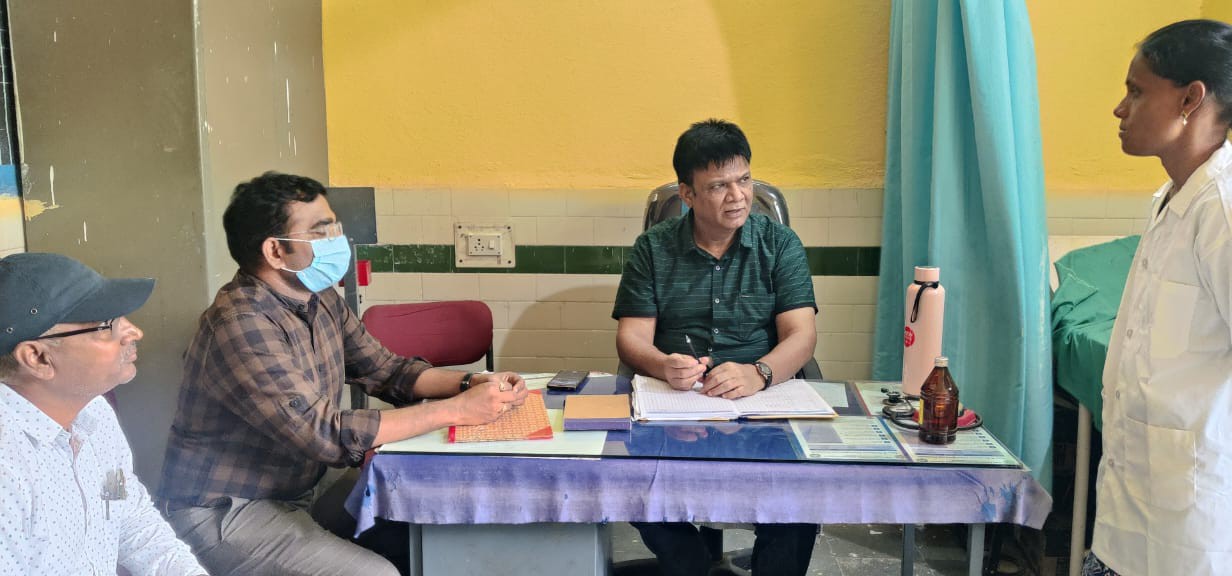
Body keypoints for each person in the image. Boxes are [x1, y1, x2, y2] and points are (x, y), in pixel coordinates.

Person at [157, 172, 527, 576]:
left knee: (421, 519)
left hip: (303, 489)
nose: (337, 240)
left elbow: (386, 369)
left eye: (335, 227)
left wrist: (472, 383)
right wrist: (456, 410)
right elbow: (326, 434)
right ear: (275, 250)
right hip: (227, 511)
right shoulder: (241, 322)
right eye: (321, 231)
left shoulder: (319, 298)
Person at [612, 119, 818, 576]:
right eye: (719, 186)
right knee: (626, 477)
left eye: (744, 180)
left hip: (762, 399)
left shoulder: (779, 244)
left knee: (802, 493)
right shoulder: (653, 248)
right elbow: (631, 338)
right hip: (676, 402)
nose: (738, 196)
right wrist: (663, 365)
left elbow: (802, 335)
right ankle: (690, 561)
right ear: (687, 194)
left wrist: (759, 373)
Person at [1088, 19, 1232, 576]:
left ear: (1190, 99)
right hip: (1135, 505)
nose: (1120, 109)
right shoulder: (1172, 199)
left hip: (1193, 526)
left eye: (1137, 91)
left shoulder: (1222, 210)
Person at [0, 253, 206, 575]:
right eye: (105, 325)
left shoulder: (93, 414)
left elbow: (128, 517)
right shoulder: (8, 467)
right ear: (38, 358)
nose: (134, 332)